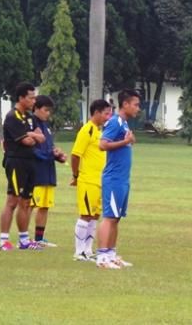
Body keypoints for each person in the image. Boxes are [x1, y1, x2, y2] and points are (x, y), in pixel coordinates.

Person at [96, 89, 141, 269]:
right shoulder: (114, 122)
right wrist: (124, 142)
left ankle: (111, 254)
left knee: (116, 218)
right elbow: (102, 145)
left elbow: (126, 141)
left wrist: (129, 140)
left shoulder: (124, 124)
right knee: (109, 217)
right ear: (125, 104)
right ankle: (101, 257)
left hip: (123, 179)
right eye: (136, 105)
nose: (138, 108)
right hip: (113, 179)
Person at [0, 82, 44, 251]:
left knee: (26, 201)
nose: (34, 101)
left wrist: (32, 135)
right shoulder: (12, 117)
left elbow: (40, 138)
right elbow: (25, 140)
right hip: (16, 161)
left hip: (30, 160)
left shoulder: (30, 117)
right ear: (21, 98)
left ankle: (24, 240)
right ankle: (4, 241)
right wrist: (32, 136)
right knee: (13, 200)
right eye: (31, 98)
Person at [71, 99, 112, 261]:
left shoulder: (98, 131)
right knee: (85, 215)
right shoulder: (86, 130)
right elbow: (75, 155)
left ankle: (88, 250)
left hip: (100, 181)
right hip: (87, 180)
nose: (107, 117)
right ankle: (78, 251)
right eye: (105, 113)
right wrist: (76, 175)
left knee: (95, 216)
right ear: (96, 113)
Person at [30, 95, 67, 247]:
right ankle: (24, 239)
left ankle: (39, 238)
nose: (48, 113)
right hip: (36, 172)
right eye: (45, 110)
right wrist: (50, 154)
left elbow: (48, 148)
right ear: (36, 108)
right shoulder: (31, 124)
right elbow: (32, 150)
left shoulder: (46, 127)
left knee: (45, 206)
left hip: (48, 172)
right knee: (30, 205)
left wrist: (58, 155)